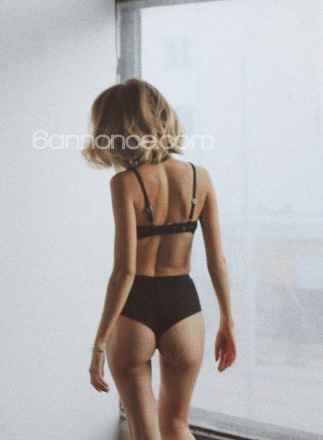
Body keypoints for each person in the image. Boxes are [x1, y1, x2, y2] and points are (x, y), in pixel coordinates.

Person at [82, 78, 236, 440]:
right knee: (177, 425)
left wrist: (99, 342)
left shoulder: (125, 183)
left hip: (135, 307)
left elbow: (124, 271)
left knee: (144, 432)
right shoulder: (201, 178)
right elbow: (217, 259)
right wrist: (227, 320)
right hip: (184, 306)